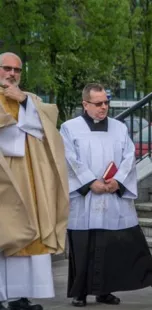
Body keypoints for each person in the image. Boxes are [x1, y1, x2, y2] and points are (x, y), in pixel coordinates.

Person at [60, 83, 152, 307]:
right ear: (85, 104)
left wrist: (118, 181)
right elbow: (68, 159)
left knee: (111, 246)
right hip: (85, 197)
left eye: (106, 102)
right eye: (98, 103)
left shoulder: (119, 128)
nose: (103, 107)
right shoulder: (69, 128)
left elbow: (129, 157)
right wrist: (89, 182)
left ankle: (105, 291)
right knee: (83, 245)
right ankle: (80, 292)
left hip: (111, 195)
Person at [0, 52, 69, 310]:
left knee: (30, 232)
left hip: (31, 180)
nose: (12, 74)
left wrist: (24, 103)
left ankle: (19, 296)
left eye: (16, 70)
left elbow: (48, 127)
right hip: (4, 180)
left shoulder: (31, 99)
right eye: (6, 68)